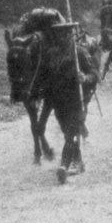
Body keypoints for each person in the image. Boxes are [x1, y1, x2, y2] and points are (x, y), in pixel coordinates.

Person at [44, 21, 98, 177]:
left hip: (76, 101)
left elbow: (94, 73)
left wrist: (85, 78)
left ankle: (63, 165)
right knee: (67, 132)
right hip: (59, 102)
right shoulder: (52, 54)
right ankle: (79, 161)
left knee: (70, 134)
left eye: (65, 33)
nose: (62, 37)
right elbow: (46, 77)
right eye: (59, 34)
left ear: (70, 34)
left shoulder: (79, 52)